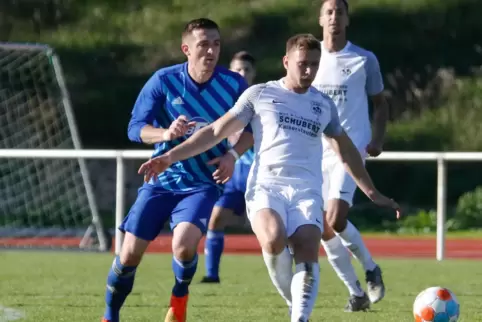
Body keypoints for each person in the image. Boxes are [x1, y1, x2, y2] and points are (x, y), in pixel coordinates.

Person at [138, 33, 400, 322]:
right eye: (302, 64)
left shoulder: (323, 104)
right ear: (286, 61)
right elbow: (214, 131)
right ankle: (294, 302)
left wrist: (372, 192)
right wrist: (170, 156)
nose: (309, 71)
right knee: (274, 239)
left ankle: (300, 318)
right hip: (266, 186)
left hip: (306, 190)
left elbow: (346, 150)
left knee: (308, 246)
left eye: (315, 64)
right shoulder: (260, 94)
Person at [100, 18, 252, 322]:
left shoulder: (234, 84)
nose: (211, 51)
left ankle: (180, 295)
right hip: (162, 180)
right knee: (128, 255)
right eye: (203, 44)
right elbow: (135, 128)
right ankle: (110, 316)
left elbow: (253, 129)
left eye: (216, 43)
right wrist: (165, 134)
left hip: (203, 183)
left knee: (183, 247)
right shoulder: (163, 80)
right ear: (186, 49)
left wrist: (232, 154)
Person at [313, 0, 391, 309]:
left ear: (347, 19)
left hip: (351, 148)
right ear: (321, 18)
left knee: (335, 216)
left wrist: (377, 139)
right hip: (315, 152)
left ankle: (371, 268)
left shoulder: (363, 59)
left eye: (340, 12)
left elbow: (381, 103)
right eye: (329, 12)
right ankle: (357, 292)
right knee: (323, 227)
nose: (334, 17)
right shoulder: (308, 57)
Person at [201, 51, 257, 283]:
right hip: (234, 176)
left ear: (254, 74)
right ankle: (212, 275)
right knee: (215, 219)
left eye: (246, 70)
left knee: (273, 230)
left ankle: (294, 273)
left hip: (260, 175)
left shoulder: (262, 100)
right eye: (237, 70)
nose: (241, 74)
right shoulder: (222, 102)